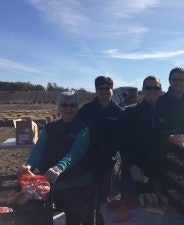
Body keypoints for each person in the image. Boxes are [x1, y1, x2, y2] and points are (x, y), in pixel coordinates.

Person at [20, 91, 93, 225]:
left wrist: (59, 167)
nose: (68, 109)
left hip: (78, 184)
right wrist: (29, 165)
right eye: (64, 105)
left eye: (73, 105)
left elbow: (75, 153)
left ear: (78, 107)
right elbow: (38, 149)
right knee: (54, 219)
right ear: (58, 107)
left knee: (74, 220)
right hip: (54, 185)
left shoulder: (83, 128)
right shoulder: (50, 127)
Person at [76, 76, 123, 224]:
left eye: (106, 88)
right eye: (100, 89)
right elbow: (77, 133)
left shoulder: (119, 112)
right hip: (87, 163)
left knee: (103, 200)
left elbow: (122, 138)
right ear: (96, 90)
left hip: (107, 163)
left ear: (112, 90)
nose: (103, 92)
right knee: (87, 200)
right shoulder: (86, 110)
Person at [120, 76, 165, 197]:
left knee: (155, 212)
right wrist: (131, 165)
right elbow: (122, 142)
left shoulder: (166, 114)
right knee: (130, 212)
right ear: (143, 90)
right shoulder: (130, 112)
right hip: (133, 174)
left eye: (156, 88)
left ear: (160, 90)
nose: (152, 91)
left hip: (156, 175)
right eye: (148, 87)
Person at [157, 67, 184, 136]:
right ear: (170, 81)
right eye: (175, 80)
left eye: (181, 80)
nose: (178, 82)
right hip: (164, 144)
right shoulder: (160, 101)